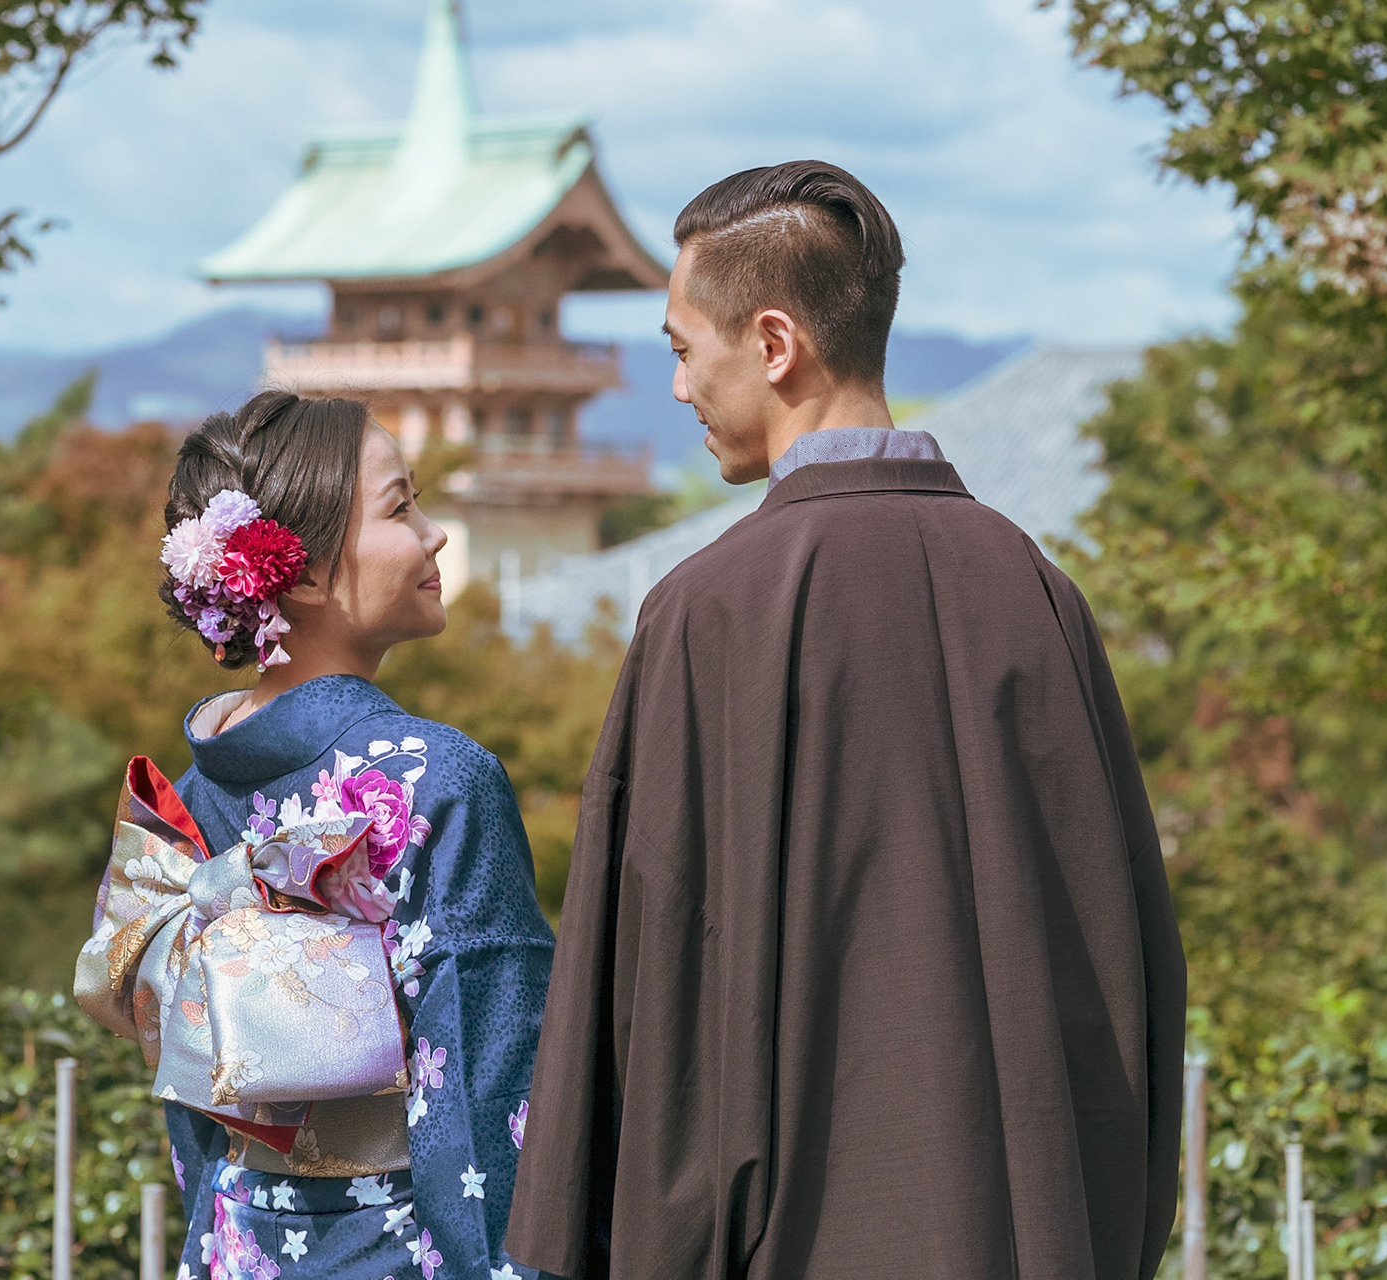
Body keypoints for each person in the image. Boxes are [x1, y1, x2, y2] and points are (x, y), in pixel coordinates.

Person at [504, 162, 1188, 1279]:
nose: (676, 388)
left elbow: (660, 1001)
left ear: (773, 343)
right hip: (1038, 1235)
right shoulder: (1036, 590)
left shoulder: (710, 611)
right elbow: (1129, 960)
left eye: (683, 349)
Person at [75, 392, 552, 1280]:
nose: (435, 535)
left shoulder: (185, 806)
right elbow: (485, 1085)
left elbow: (195, 1089)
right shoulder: (432, 780)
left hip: (238, 1246)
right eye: (402, 508)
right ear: (296, 576)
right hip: (397, 1253)